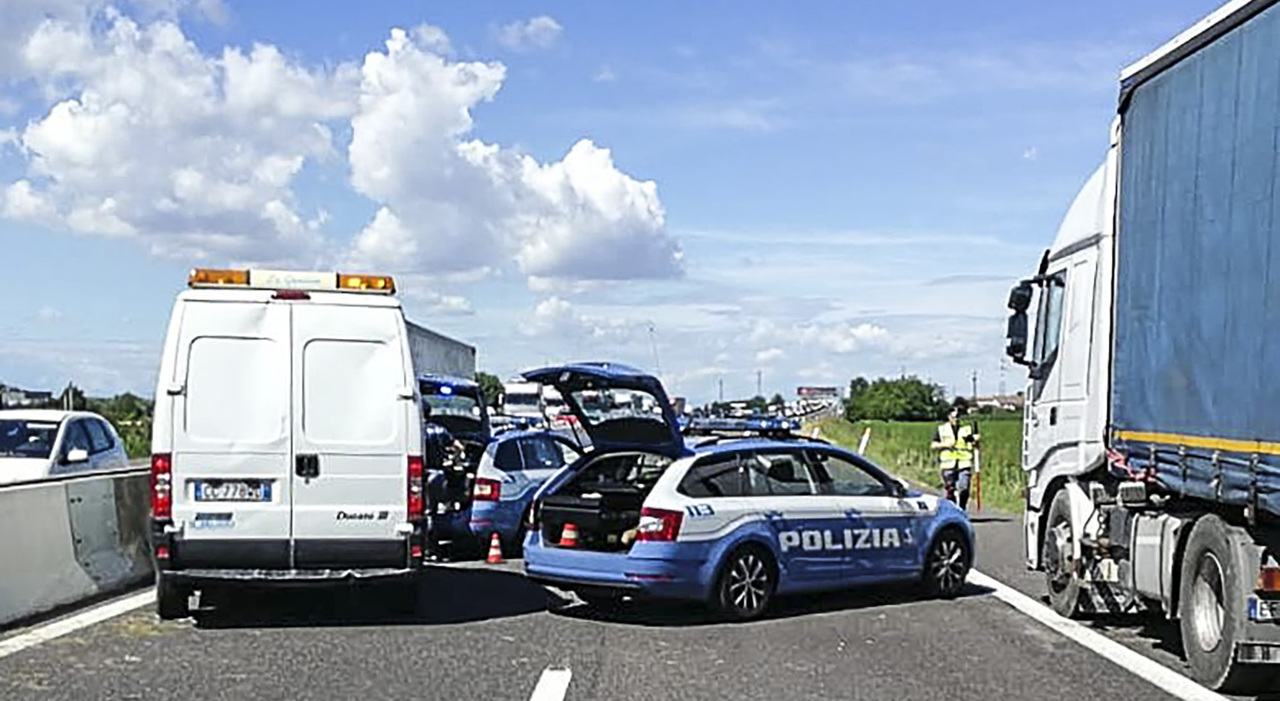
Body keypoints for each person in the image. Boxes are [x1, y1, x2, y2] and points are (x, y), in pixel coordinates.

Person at [932, 408, 980, 511]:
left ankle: (962, 507)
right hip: (948, 464)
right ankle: (952, 508)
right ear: (949, 417)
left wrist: (976, 440)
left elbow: (974, 444)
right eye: (954, 417)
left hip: (964, 462)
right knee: (950, 490)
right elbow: (933, 445)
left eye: (958, 417)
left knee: (964, 487)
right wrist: (945, 445)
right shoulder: (942, 429)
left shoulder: (966, 429)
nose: (956, 420)